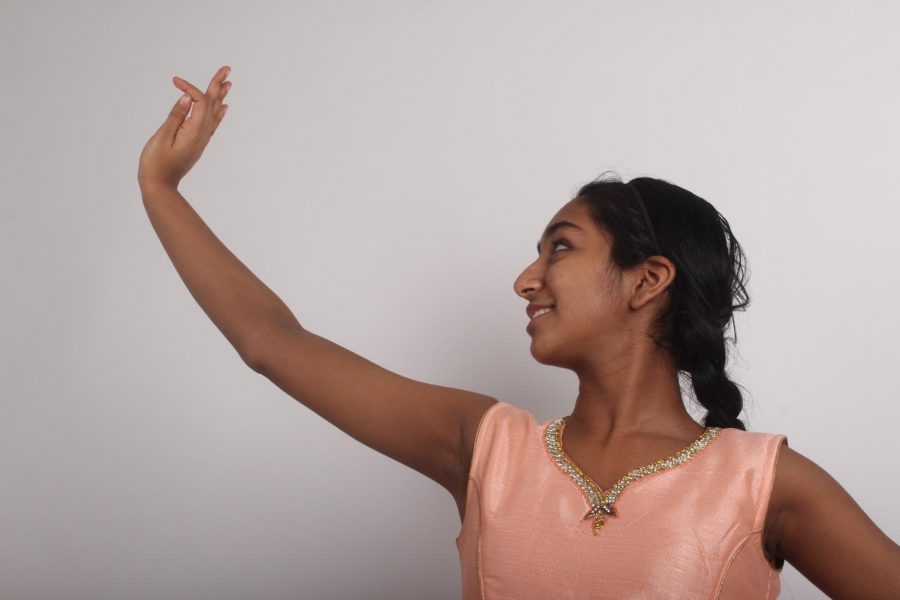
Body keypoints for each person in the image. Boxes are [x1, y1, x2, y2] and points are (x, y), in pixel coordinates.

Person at [138, 66, 900, 599]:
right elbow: (274, 343)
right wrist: (161, 189)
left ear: (648, 280)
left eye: (560, 247)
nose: (526, 278)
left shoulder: (766, 483)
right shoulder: (487, 449)